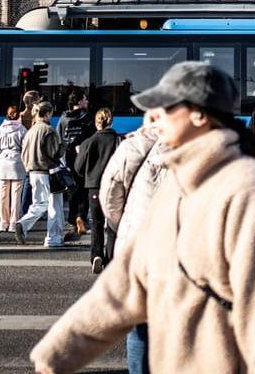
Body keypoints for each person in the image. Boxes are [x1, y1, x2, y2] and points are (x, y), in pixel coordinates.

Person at [31, 61, 255, 374]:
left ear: (200, 116)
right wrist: (55, 355)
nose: (153, 117)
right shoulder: (175, 182)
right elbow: (126, 283)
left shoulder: (250, 188)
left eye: (164, 108)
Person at [99, 110, 170, 374]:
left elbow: (110, 194)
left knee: (141, 324)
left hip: (137, 249)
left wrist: (123, 225)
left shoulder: (134, 144)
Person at [74, 108, 121, 274]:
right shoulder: (118, 140)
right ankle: (111, 258)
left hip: (94, 186)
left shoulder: (89, 142)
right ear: (112, 122)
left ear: (96, 123)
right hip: (115, 186)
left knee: (97, 222)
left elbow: (78, 168)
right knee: (113, 223)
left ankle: (96, 255)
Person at [16, 101, 66, 247]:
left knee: (39, 203)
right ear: (47, 113)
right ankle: (53, 238)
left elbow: (23, 153)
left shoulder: (30, 131)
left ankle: (23, 225)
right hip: (48, 172)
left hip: (32, 172)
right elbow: (54, 153)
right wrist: (63, 145)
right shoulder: (49, 130)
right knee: (54, 205)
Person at [57, 92, 94, 235]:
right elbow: (92, 138)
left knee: (72, 189)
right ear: (79, 102)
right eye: (84, 99)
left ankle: (72, 219)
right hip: (83, 157)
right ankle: (82, 217)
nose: (87, 101)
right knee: (84, 188)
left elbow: (59, 138)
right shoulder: (87, 117)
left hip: (68, 158)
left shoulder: (63, 118)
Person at [0, 105, 27, 232]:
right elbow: (26, 148)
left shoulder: (0, 129)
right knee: (16, 195)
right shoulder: (22, 129)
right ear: (18, 115)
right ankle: (13, 223)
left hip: (3, 163)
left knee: (3, 194)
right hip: (17, 163)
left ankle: (3, 223)